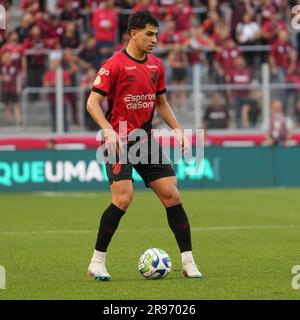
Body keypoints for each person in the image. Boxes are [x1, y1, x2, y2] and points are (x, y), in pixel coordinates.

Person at [86, 11, 202, 281]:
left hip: (144, 139)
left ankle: (188, 262)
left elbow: (161, 103)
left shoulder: (156, 67)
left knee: (172, 195)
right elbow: (92, 102)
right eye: (149, 34)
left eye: (156, 34)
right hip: (118, 138)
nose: (154, 39)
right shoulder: (113, 64)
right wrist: (108, 131)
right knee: (123, 197)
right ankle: (97, 262)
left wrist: (178, 131)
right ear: (133, 33)